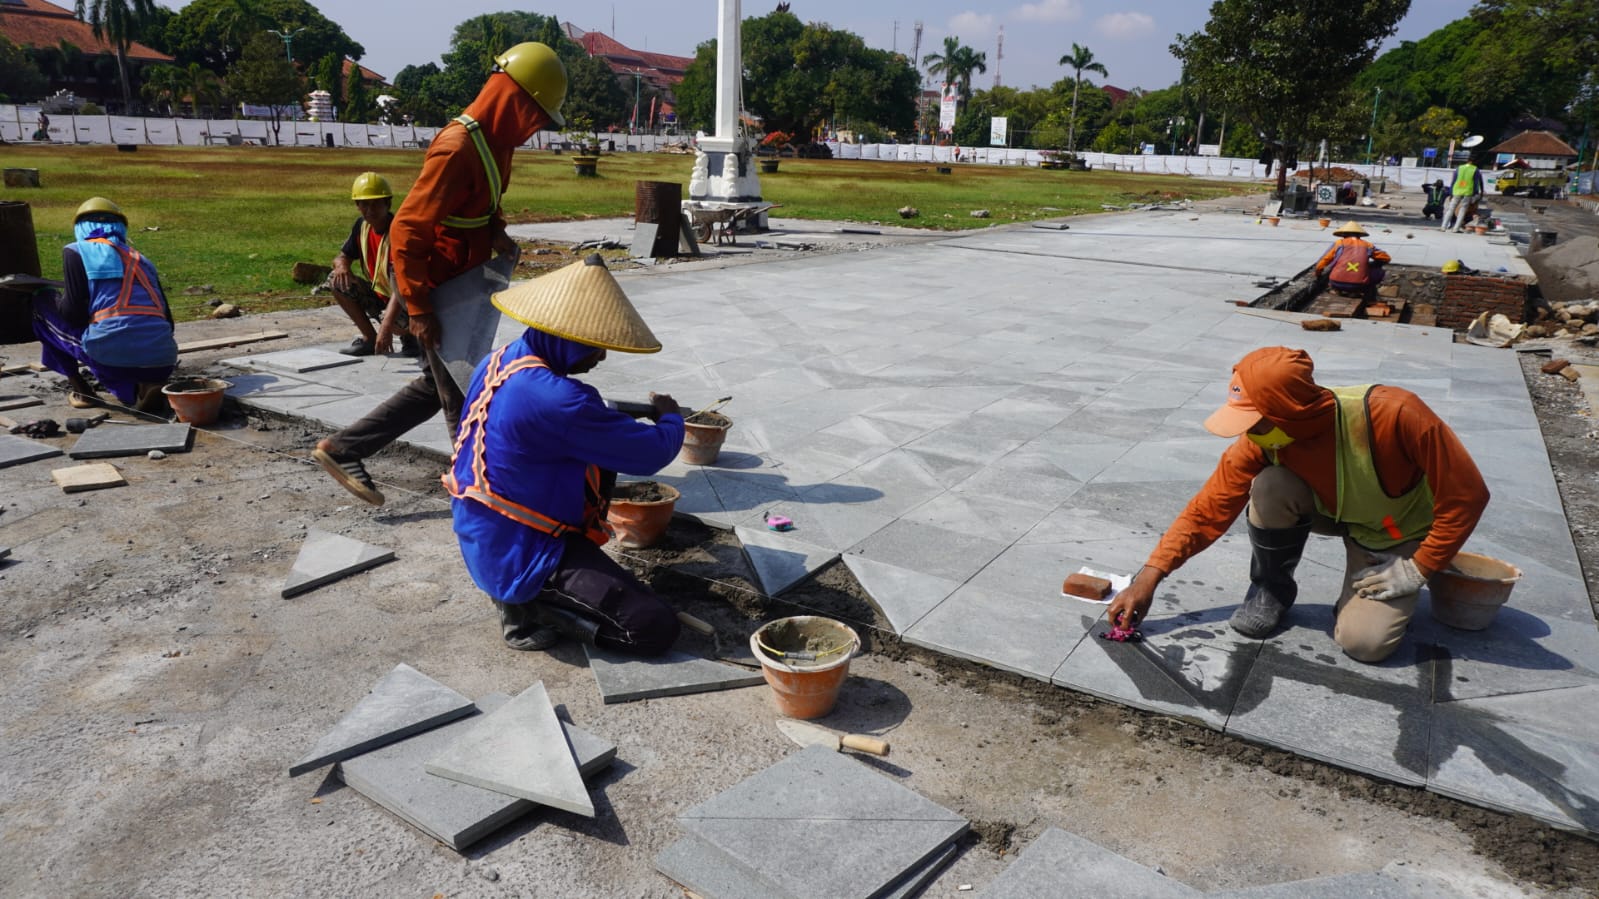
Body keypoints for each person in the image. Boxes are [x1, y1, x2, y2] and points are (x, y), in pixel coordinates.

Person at [1103, 346, 1490, 664]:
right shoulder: (1263, 441)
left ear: (1292, 410)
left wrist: (1419, 567)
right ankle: (1272, 591)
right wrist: (1148, 579)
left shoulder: (1395, 414)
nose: (1251, 432)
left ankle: (1369, 591)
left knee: (1364, 645)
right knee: (1270, 486)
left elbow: (1467, 495)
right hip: (1328, 510)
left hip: (1390, 529)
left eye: (1258, 421)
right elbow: (1209, 507)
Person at [311, 42, 568, 506]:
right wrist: (419, 309)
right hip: (439, 291)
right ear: (516, 101)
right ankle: (479, 495)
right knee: (462, 394)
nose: (536, 130)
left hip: (464, 285)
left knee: (439, 385)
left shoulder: (493, 144)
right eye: (537, 118)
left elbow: (479, 202)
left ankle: (344, 448)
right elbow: (407, 232)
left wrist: (496, 232)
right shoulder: (457, 148)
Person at [446, 255, 685, 654]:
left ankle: (542, 587)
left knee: (597, 451)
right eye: (596, 345)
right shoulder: (560, 401)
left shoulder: (499, 360)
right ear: (569, 337)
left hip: (484, 532)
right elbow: (651, 453)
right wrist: (671, 418)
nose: (602, 356)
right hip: (524, 554)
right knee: (652, 628)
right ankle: (532, 608)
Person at [31, 197, 176, 411]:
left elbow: (73, 315)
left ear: (80, 227)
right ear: (120, 227)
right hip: (163, 361)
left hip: (111, 358)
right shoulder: (142, 260)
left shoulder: (75, 251)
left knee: (40, 303)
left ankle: (81, 389)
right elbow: (169, 322)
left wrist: (55, 298)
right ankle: (142, 388)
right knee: (112, 345)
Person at [326, 171, 419, 358]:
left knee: (390, 320)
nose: (370, 210)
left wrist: (386, 326)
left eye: (376, 203)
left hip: (405, 301)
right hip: (380, 296)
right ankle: (369, 338)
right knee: (335, 280)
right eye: (365, 204)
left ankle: (411, 337)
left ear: (388, 203)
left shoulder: (399, 232)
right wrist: (342, 266)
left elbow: (401, 284)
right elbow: (342, 256)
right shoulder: (362, 227)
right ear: (357, 206)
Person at [1314, 220, 1391, 301]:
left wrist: (1318, 274)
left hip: (1336, 282)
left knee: (1335, 267)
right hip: (1359, 285)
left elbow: (1324, 261)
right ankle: (1359, 291)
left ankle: (1338, 290)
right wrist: (1372, 264)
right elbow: (1386, 258)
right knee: (1379, 272)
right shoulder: (1368, 245)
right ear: (1359, 235)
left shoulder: (1339, 243)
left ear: (1343, 234)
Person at [1441, 155, 1484, 233]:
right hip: (1467, 192)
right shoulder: (1475, 170)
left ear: (1467, 161)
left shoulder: (1459, 168)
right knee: (1462, 211)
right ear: (1474, 162)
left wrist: (1451, 193)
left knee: (1450, 209)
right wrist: (1476, 193)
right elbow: (1476, 183)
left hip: (1457, 191)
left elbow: (1454, 180)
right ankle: (1456, 228)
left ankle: (1443, 227)